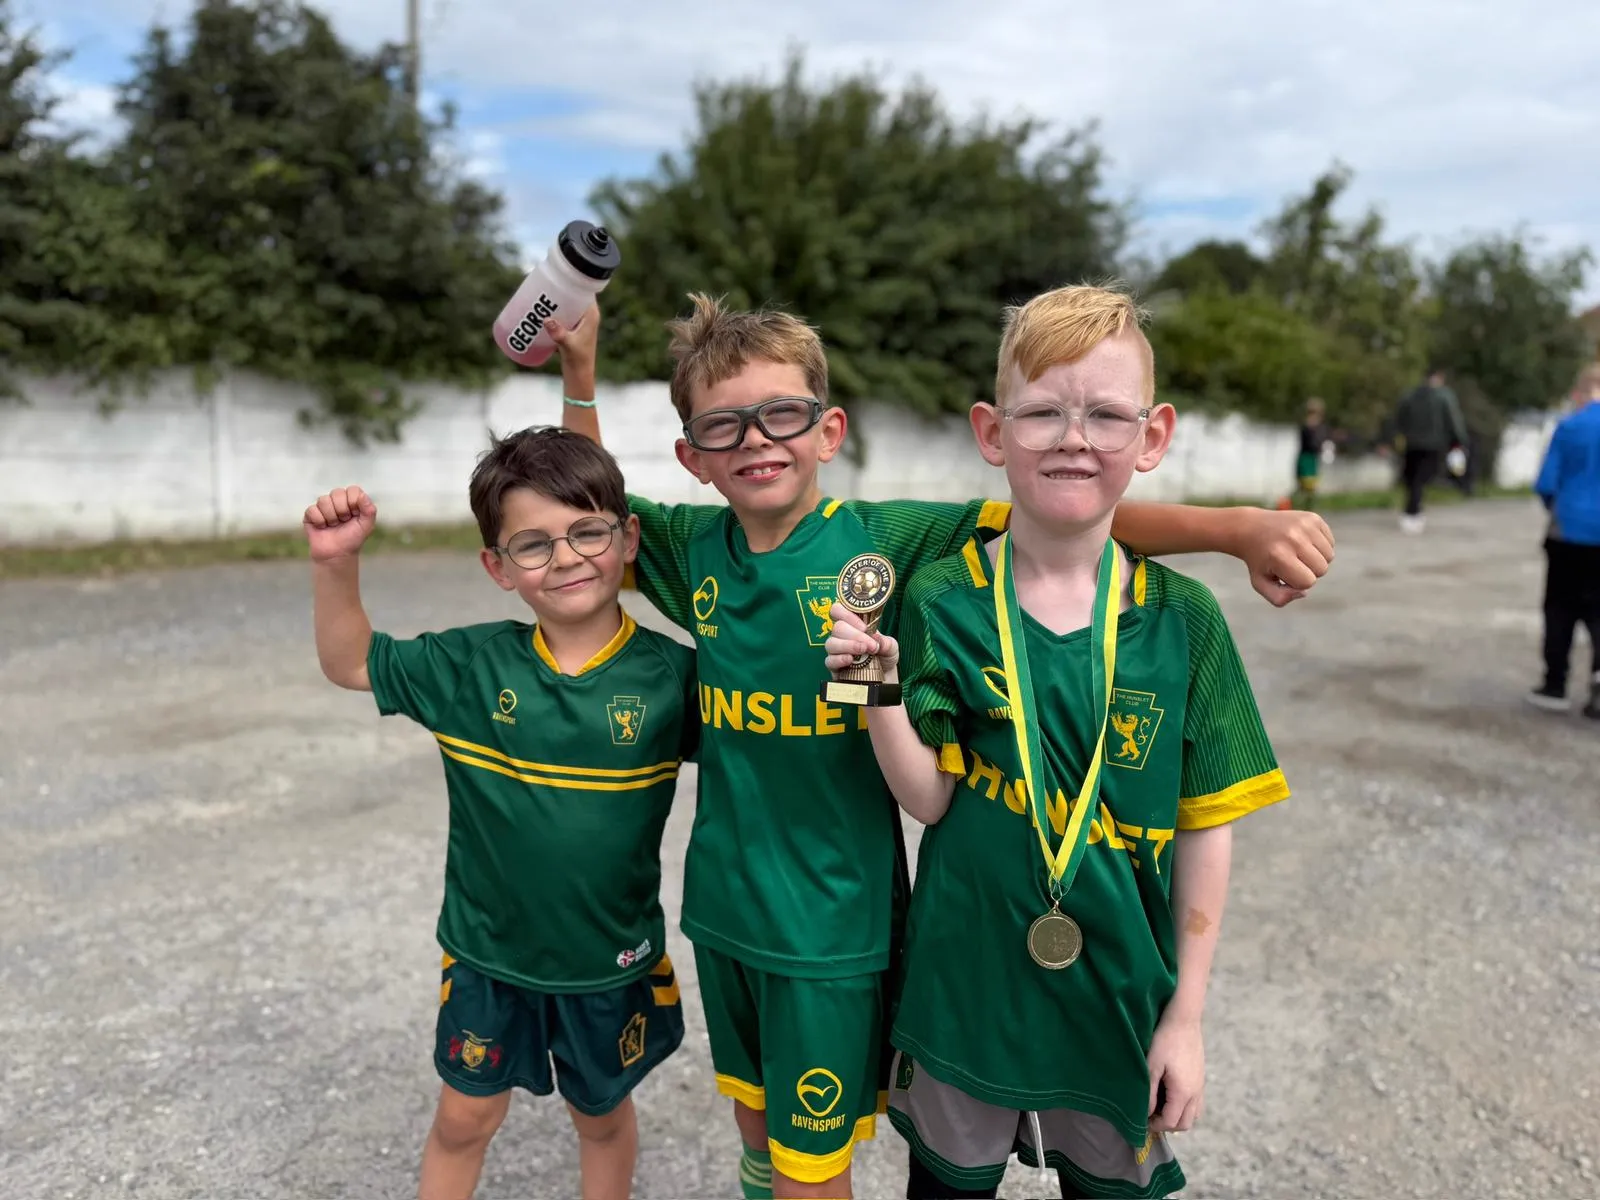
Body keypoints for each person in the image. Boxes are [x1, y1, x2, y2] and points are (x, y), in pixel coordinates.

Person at [547, 298, 1332, 1199]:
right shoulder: (691, 547)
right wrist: (580, 376)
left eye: (783, 415)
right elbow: (586, 499)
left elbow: (1063, 508)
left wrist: (1235, 531)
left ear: (827, 429)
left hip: (840, 924)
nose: (757, 440)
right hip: (727, 911)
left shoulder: (886, 542)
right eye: (724, 425)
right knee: (759, 1136)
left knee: (816, 1162)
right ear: (692, 454)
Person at [825, 283, 1289, 1198]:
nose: (1074, 438)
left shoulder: (1183, 622)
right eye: (1043, 413)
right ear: (993, 433)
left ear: (1152, 438)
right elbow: (929, 799)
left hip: (1117, 990)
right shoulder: (942, 602)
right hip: (965, 987)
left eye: (1105, 416)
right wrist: (870, 687)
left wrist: (1185, 1017)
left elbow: (1206, 827)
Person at [302, 418, 698, 1200]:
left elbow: (779, 749)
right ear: (498, 566)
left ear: (627, 539)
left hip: (609, 964)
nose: (567, 558)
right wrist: (337, 564)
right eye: (534, 544)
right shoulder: (470, 668)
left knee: (603, 1118)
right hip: (487, 961)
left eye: (588, 531)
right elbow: (351, 661)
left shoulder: (676, 679)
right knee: (462, 1123)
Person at [1527, 363, 1600, 718]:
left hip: (1569, 532)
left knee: (1560, 608)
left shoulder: (1570, 427)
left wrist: (1559, 509)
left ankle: (1555, 683)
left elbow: (1545, 483)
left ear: (1583, 392)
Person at [1384, 366, 1469, 533]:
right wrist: (1459, 441)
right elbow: (1453, 420)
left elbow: (1398, 419)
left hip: (1411, 444)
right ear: (1439, 377)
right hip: (1433, 445)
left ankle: (1411, 511)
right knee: (1422, 479)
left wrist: (1391, 439)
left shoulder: (1410, 395)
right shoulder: (1444, 396)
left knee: (1412, 478)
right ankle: (1413, 512)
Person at [1293, 396, 1332, 511]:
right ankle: (1303, 508)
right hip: (1307, 458)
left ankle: (1304, 508)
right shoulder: (1311, 426)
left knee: (1307, 488)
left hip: (1310, 458)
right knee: (1307, 488)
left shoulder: (1314, 425)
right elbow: (1313, 443)